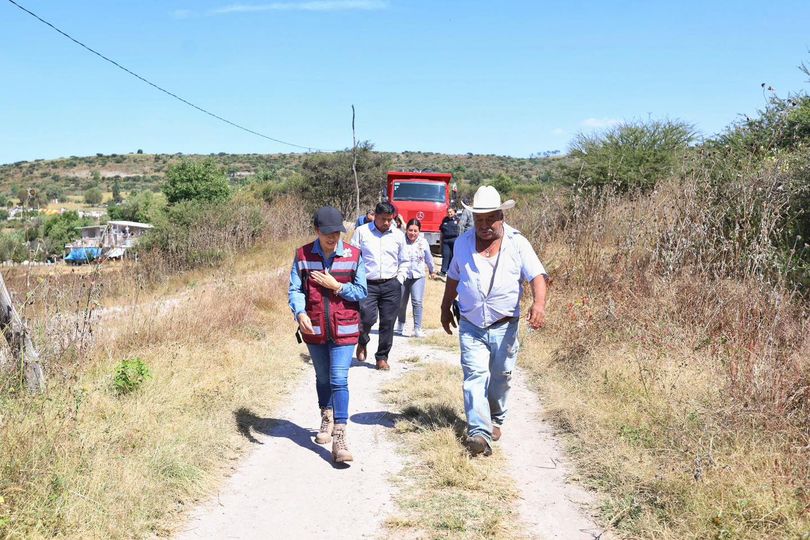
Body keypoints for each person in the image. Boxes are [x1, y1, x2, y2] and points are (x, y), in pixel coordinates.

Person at [439, 186, 548, 457]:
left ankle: (496, 418)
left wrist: (539, 304)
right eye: (479, 220)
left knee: (500, 377)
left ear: (502, 216)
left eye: (490, 219)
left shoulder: (518, 243)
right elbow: (453, 276)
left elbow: (537, 275)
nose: (484, 225)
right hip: (471, 323)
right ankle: (479, 431)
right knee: (475, 376)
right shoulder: (463, 243)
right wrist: (444, 307)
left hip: (505, 324)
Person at [289, 206, 368, 463]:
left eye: (337, 233)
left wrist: (338, 287)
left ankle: (340, 435)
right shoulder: (302, 255)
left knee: (338, 378)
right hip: (315, 329)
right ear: (316, 231)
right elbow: (295, 289)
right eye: (327, 234)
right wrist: (299, 313)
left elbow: (361, 291)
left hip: (344, 329)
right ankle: (326, 415)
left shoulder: (354, 255)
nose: (333, 238)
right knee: (323, 378)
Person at [350, 201, 407, 371]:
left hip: (391, 284)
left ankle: (382, 357)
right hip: (368, 284)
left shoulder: (398, 235)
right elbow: (353, 257)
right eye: (383, 219)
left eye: (390, 219)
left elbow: (404, 260)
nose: (387, 223)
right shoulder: (362, 232)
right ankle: (362, 341)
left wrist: (400, 279)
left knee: (388, 322)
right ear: (375, 216)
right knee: (366, 318)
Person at [395, 219, 436, 338]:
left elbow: (428, 257)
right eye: (410, 230)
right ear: (406, 230)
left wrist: (432, 270)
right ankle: (401, 324)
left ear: (419, 231)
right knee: (401, 302)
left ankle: (417, 328)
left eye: (415, 231)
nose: (412, 233)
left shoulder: (423, 242)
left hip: (418, 275)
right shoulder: (401, 241)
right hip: (403, 275)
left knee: (417, 301)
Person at [438, 207, 461, 277]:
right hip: (446, 241)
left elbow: (460, 230)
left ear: (454, 212)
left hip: (455, 240)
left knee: (453, 256)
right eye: (448, 212)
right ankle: (443, 271)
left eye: (451, 212)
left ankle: (453, 271)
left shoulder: (458, 220)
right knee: (446, 255)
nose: (449, 213)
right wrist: (440, 242)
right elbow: (441, 231)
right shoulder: (445, 220)